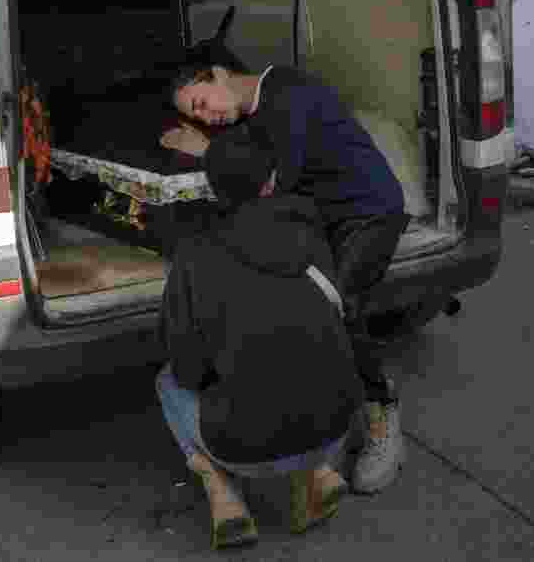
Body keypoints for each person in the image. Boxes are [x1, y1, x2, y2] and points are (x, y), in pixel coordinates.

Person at [160, 62, 410, 494]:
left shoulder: (287, 94)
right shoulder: (259, 111)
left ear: (217, 74)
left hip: (366, 214)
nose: (205, 116)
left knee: (339, 310)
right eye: (196, 116)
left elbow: (272, 182)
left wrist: (208, 152)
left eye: (201, 103)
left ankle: (381, 412)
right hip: (324, 218)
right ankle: (303, 419)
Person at [157, 125, 362, 550]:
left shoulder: (194, 255)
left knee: (167, 382)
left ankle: (223, 492)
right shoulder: (311, 234)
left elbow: (188, 368)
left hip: (244, 447)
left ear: (212, 188)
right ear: (271, 181)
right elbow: (340, 313)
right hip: (337, 428)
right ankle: (315, 474)